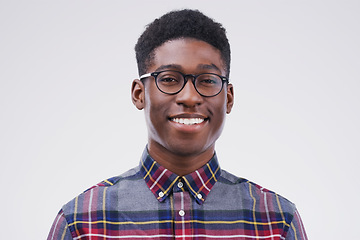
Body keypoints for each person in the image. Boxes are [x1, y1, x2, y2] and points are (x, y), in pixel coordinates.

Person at [47, 9, 307, 240]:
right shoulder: (81, 223)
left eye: (207, 80)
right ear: (139, 94)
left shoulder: (277, 223)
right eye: (170, 79)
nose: (190, 97)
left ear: (228, 98)